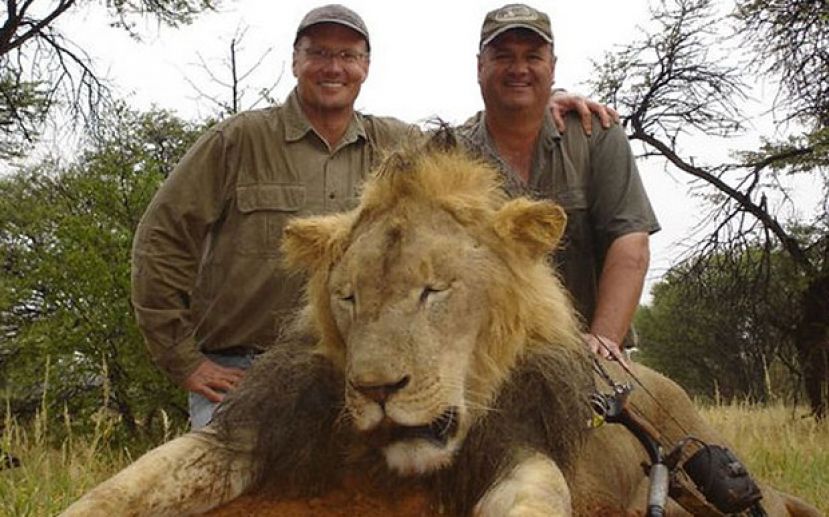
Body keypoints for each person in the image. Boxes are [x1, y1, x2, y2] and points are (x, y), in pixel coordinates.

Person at [131, 4, 617, 430]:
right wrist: (185, 362)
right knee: (220, 482)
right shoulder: (236, 142)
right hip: (239, 368)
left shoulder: (398, 146)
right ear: (295, 60)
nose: (333, 67)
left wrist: (537, 103)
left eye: (348, 56)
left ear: (365, 67)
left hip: (341, 366)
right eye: (319, 53)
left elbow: (468, 160)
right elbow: (161, 241)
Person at [459, 3, 660, 362]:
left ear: (552, 67)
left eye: (533, 56)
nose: (518, 68)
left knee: (664, 411)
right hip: (487, 360)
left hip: (588, 351)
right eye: (503, 56)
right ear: (479, 67)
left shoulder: (597, 134)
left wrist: (603, 341)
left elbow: (631, 242)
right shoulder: (450, 151)